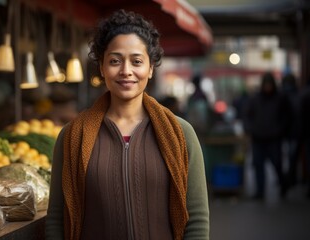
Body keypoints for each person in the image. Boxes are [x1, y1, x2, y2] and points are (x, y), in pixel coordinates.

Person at [45, 9, 209, 240]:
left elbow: (197, 220)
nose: (126, 71)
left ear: (150, 68)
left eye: (137, 61)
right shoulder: (73, 136)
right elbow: (56, 218)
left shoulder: (180, 133)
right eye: (114, 61)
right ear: (102, 68)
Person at [243, 72, 290, 200]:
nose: (268, 87)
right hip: (258, 138)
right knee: (258, 165)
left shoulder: (280, 98)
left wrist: (280, 130)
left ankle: (283, 185)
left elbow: (286, 116)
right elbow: (247, 115)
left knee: (277, 164)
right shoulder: (255, 99)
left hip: (274, 138)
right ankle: (260, 191)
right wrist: (250, 129)